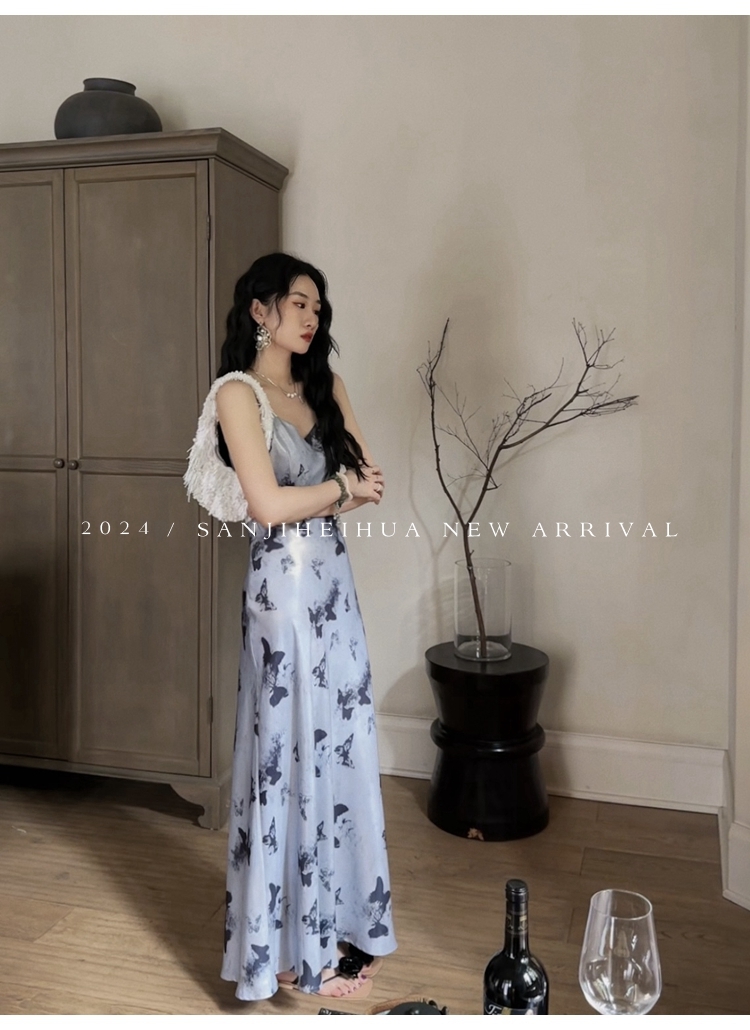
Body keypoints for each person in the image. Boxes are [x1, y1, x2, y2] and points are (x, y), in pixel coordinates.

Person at [214, 252, 398, 1002]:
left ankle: (340, 926)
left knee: (343, 743)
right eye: (298, 303)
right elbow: (266, 506)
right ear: (261, 310)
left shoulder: (327, 386)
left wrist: (337, 490)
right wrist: (337, 489)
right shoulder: (238, 394)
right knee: (285, 755)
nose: (311, 317)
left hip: (332, 584)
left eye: (318, 307)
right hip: (281, 593)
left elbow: (369, 484)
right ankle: (287, 946)